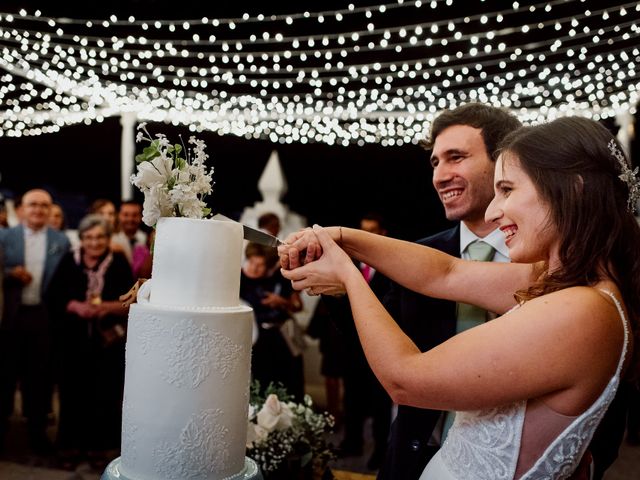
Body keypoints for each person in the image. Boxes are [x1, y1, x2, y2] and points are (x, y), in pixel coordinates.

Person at [279, 116, 639, 479]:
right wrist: (341, 237)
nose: (493, 212)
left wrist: (347, 275)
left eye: (508, 190)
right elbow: (446, 273)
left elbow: (405, 380)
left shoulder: (581, 309)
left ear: (572, 189)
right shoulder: (572, 286)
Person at [380, 103, 519, 478]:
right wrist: (338, 290)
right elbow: (378, 341)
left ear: (503, 162)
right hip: (415, 456)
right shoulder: (417, 255)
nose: (441, 176)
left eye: (455, 157)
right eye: (435, 162)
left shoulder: (545, 260)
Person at [46, 214, 133, 469]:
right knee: (72, 394)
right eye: (89, 237)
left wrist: (103, 307)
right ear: (81, 239)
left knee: (105, 394)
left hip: (107, 344)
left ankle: (100, 450)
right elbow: (53, 296)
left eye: (100, 237)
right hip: (72, 343)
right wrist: (74, 306)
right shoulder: (69, 260)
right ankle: (70, 447)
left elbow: (130, 302)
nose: (94, 242)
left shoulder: (118, 262)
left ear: (108, 239)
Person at [0, 189, 70, 455]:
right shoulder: (5, 237)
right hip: (10, 317)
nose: (38, 210)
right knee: (4, 376)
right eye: (33, 205)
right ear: (22, 209)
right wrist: (9, 273)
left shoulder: (61, 240)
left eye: (44, 206)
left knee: (39, 378)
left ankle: (37, 435)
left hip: (43, 317)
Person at [322, 213, 392, 470]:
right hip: (351, 347)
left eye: (372, 230)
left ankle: (380, 450)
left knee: (380, 403)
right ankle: (352, 442)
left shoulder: (390, 268)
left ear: (383, 233)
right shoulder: (348, 265)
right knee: (352, 397)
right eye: (363, 230)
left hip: (381, 345)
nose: (366, 235)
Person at [240, 242, 305, 401]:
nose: (255, 269)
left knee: (290, 380)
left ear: (268, 266)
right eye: (252, 262)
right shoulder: (239, 278)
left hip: (282, 336)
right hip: (256, 338)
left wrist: (281, 302)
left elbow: (298, 306)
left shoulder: (278, 277)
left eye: (260, 265)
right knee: (262, 382)